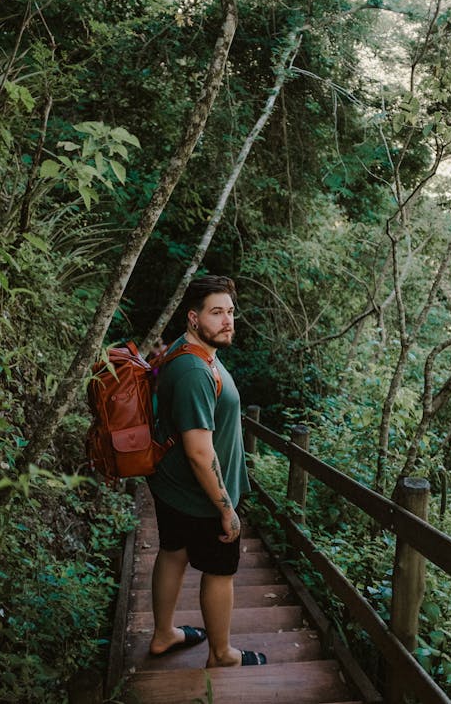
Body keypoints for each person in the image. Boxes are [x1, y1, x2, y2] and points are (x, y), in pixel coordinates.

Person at [147, 275, 267, 667]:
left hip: (171, 486)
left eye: (231, 312)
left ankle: (164, 634)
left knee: (172, 552)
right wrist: (227, 508)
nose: (228, 321)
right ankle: (222, 654)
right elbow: (200, 452)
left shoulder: (187, 351)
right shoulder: (196, 373)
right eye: (217, 313)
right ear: (193, 318)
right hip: (201, 497)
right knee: (220, 572)